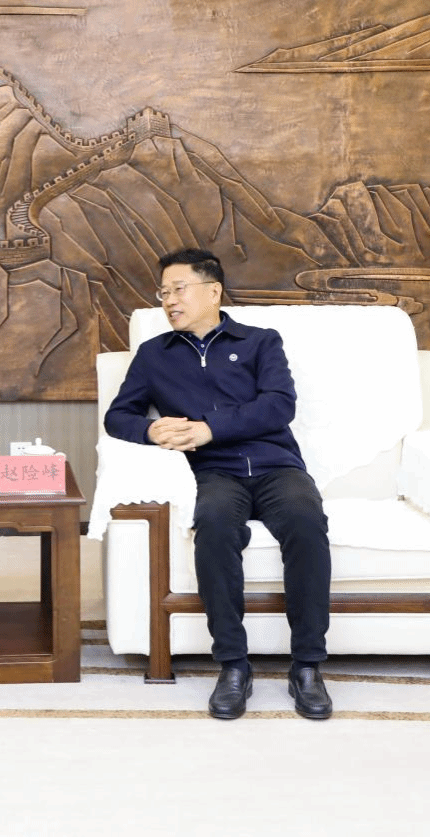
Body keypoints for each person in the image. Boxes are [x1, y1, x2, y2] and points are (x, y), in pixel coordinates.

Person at [104, 248, 333, 721]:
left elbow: (279, 405)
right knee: (212, 525)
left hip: (276, 465)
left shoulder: (260, 342)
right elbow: (117, 416)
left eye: (178, 289)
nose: (169, 301)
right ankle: (233, 665)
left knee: (306, 520)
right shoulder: (154, 355)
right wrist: (150, 429)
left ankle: (307, 665)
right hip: (213, 473)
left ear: (213, 291)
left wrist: (210, 428)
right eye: (163, 293)